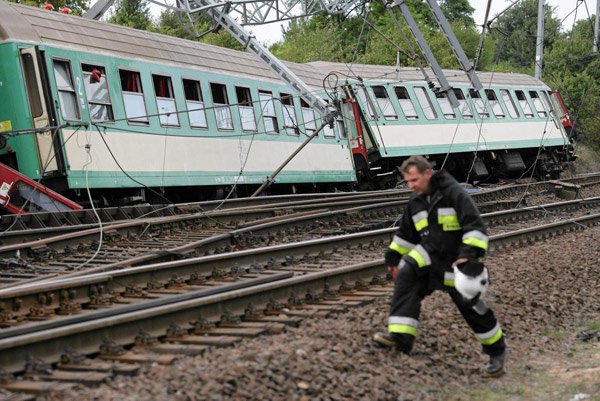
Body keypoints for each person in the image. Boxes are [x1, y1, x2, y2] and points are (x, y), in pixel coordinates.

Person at [373, 155, 507, 377]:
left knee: (473, 308)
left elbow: (476, 229)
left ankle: (497, 353)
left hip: (456, 262)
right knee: (406, 276)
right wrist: (393, 257)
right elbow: (406, 235)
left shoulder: (454, 194)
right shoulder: (415, 201)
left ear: (428, 174)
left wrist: (466, 257)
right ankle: (400, 337)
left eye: (414, 180)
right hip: (428, 259)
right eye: (408, 181)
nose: (411, 186)